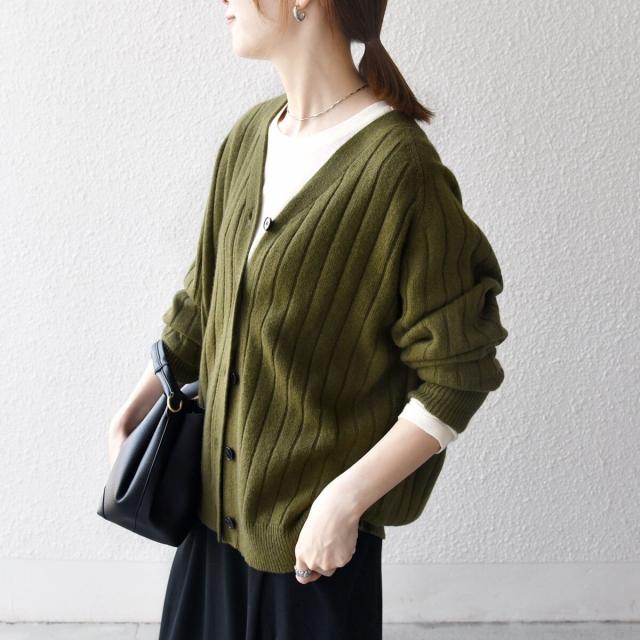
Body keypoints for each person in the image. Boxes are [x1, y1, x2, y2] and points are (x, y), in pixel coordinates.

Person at [107, 0, 509, 638]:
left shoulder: (399, 168)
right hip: (209, 533)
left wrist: (344, 502)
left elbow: (458, 370)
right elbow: (204, 299)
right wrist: (137, 407)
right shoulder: (250, 137)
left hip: (312, 559)